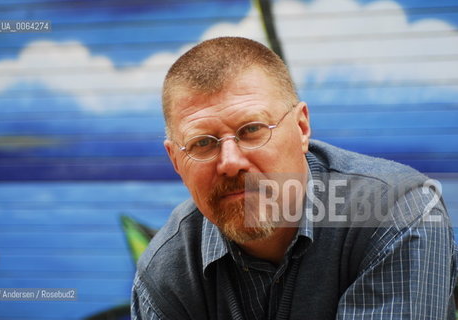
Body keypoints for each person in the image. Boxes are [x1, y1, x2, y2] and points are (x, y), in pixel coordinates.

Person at [131, 37, 457, 319]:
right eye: (202, 143)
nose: (230, 163)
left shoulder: (395, 213)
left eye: (251, 130)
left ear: (301, 128)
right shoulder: (166, 271)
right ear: (175, 160)